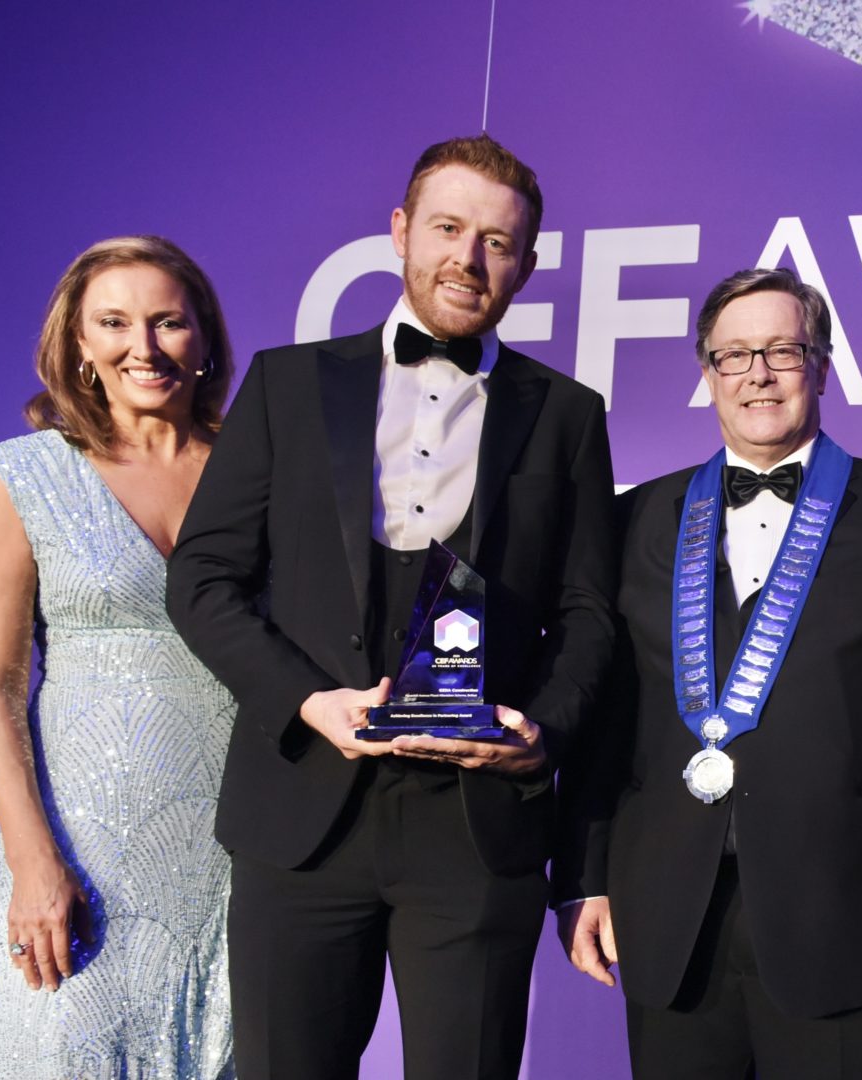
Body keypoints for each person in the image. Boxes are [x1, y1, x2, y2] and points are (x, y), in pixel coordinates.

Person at [166, 134, 617, 1080]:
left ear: (527, 267)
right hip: (302, 818)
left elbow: (588, 614)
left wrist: (541, 732)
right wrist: (304, 700)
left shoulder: (567, 413)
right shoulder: (288, 384)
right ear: (402, 232)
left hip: (474, 823)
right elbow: (204, 579)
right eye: (449, 228)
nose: (469, 258)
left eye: (498, 243)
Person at [553, 267, 862, 1079]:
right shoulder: (631, 520)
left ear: (823, 365)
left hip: (846, 911)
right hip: (669, 915)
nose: (757, 374)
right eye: (732, 356)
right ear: (707, 375)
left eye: (781, 350)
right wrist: (582, 877)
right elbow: (603, 716)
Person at [0, 235, 238, 1079]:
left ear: (205, 340)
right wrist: (32, 858)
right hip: (81, 853)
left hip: (235, 857)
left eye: (168, 323)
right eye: (113, 323)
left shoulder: (253, 472)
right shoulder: (23, 477)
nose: (143, 347)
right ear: (79, 345)